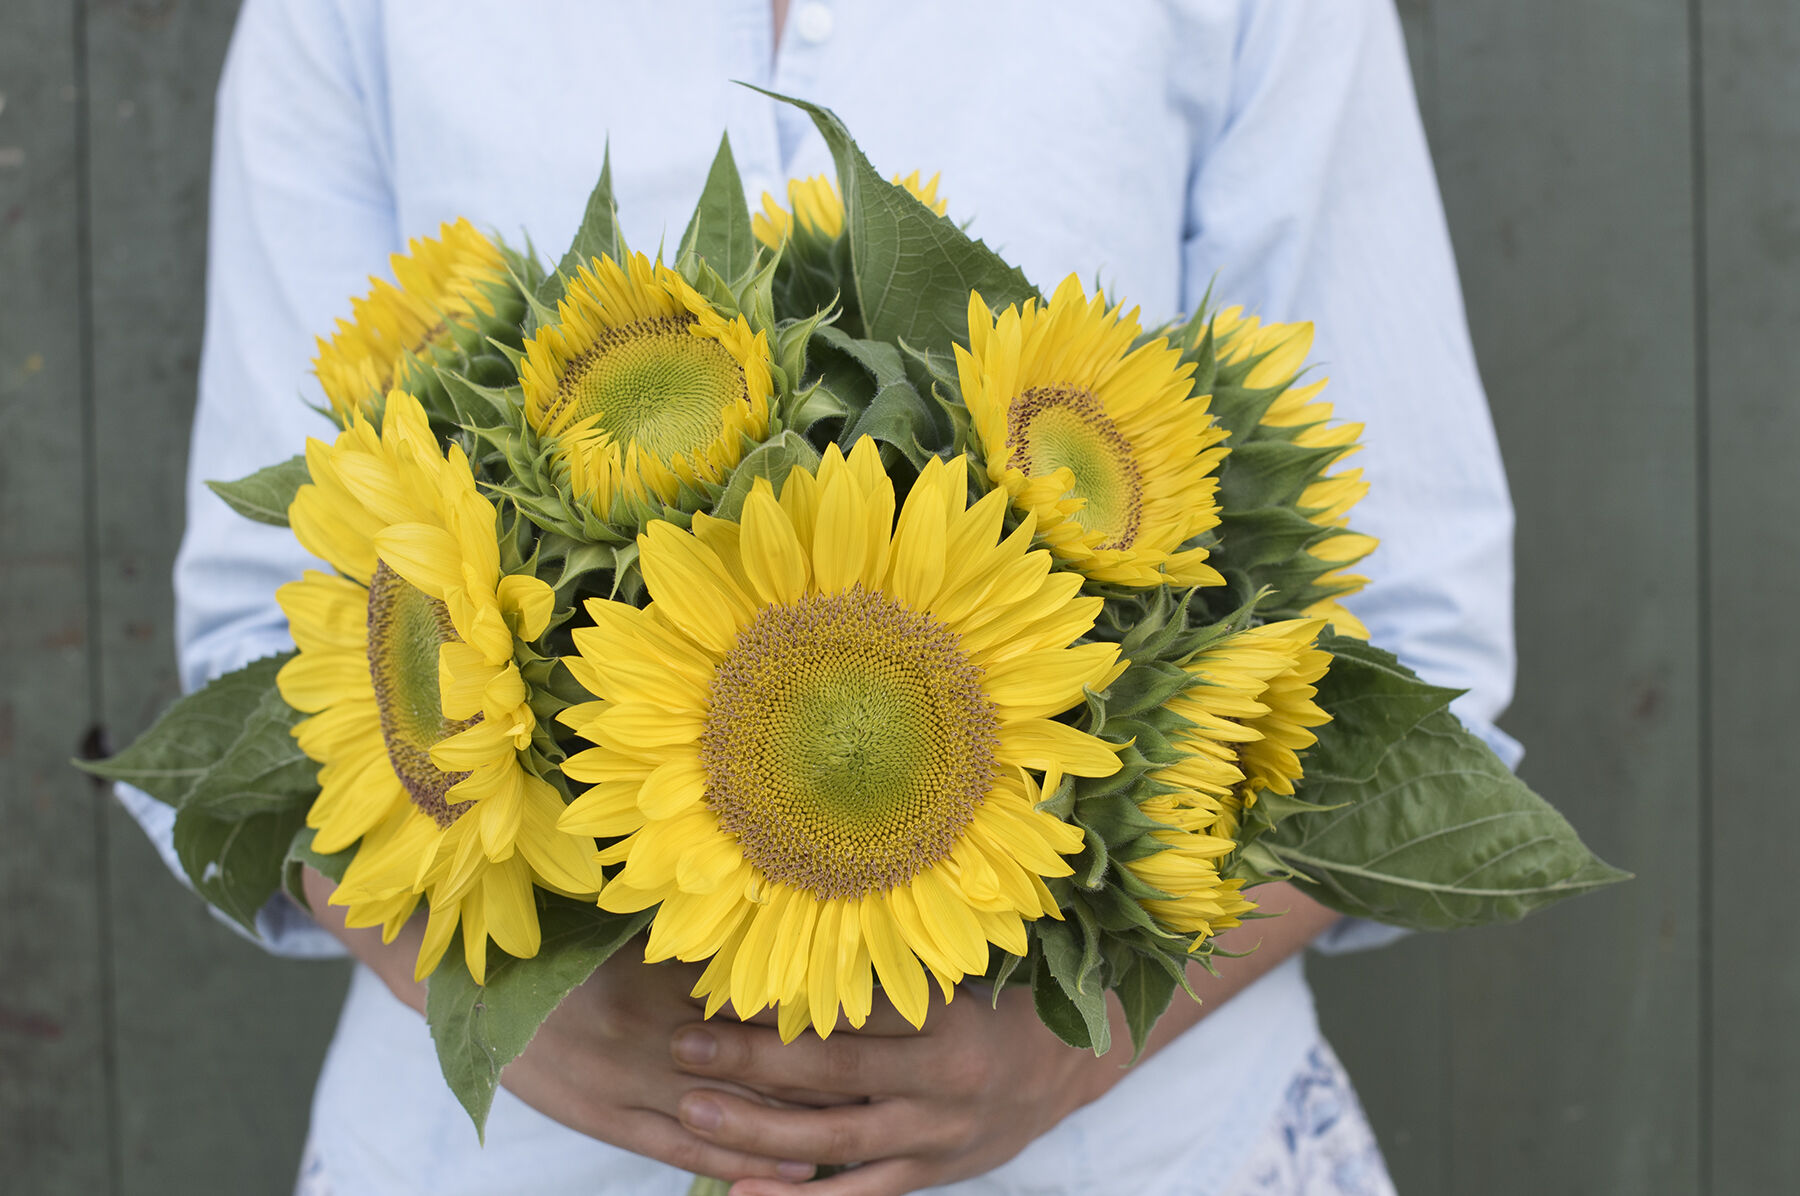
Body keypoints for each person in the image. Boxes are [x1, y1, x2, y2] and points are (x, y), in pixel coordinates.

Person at [117, 1, 1520, 1193]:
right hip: (506, 1148)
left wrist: (1069, 1038)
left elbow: (1406, 646)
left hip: (1131, 1144)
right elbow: (257, 644)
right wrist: (500, 1004)